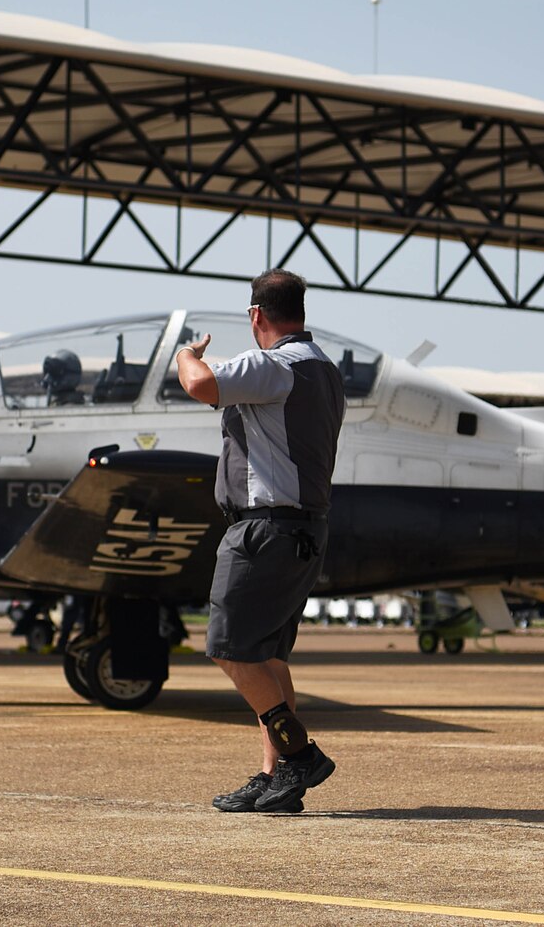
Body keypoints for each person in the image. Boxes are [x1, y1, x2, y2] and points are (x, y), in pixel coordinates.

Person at [174, 268, 345, 814]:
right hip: (304, 529)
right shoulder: (326, 369)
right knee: (268, 657)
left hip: (264, 530)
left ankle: (299, 757)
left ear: (256, 316)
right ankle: (276, 780)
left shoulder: (272, 365)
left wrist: (186, 354)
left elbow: (200, 384)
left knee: (228, 647)